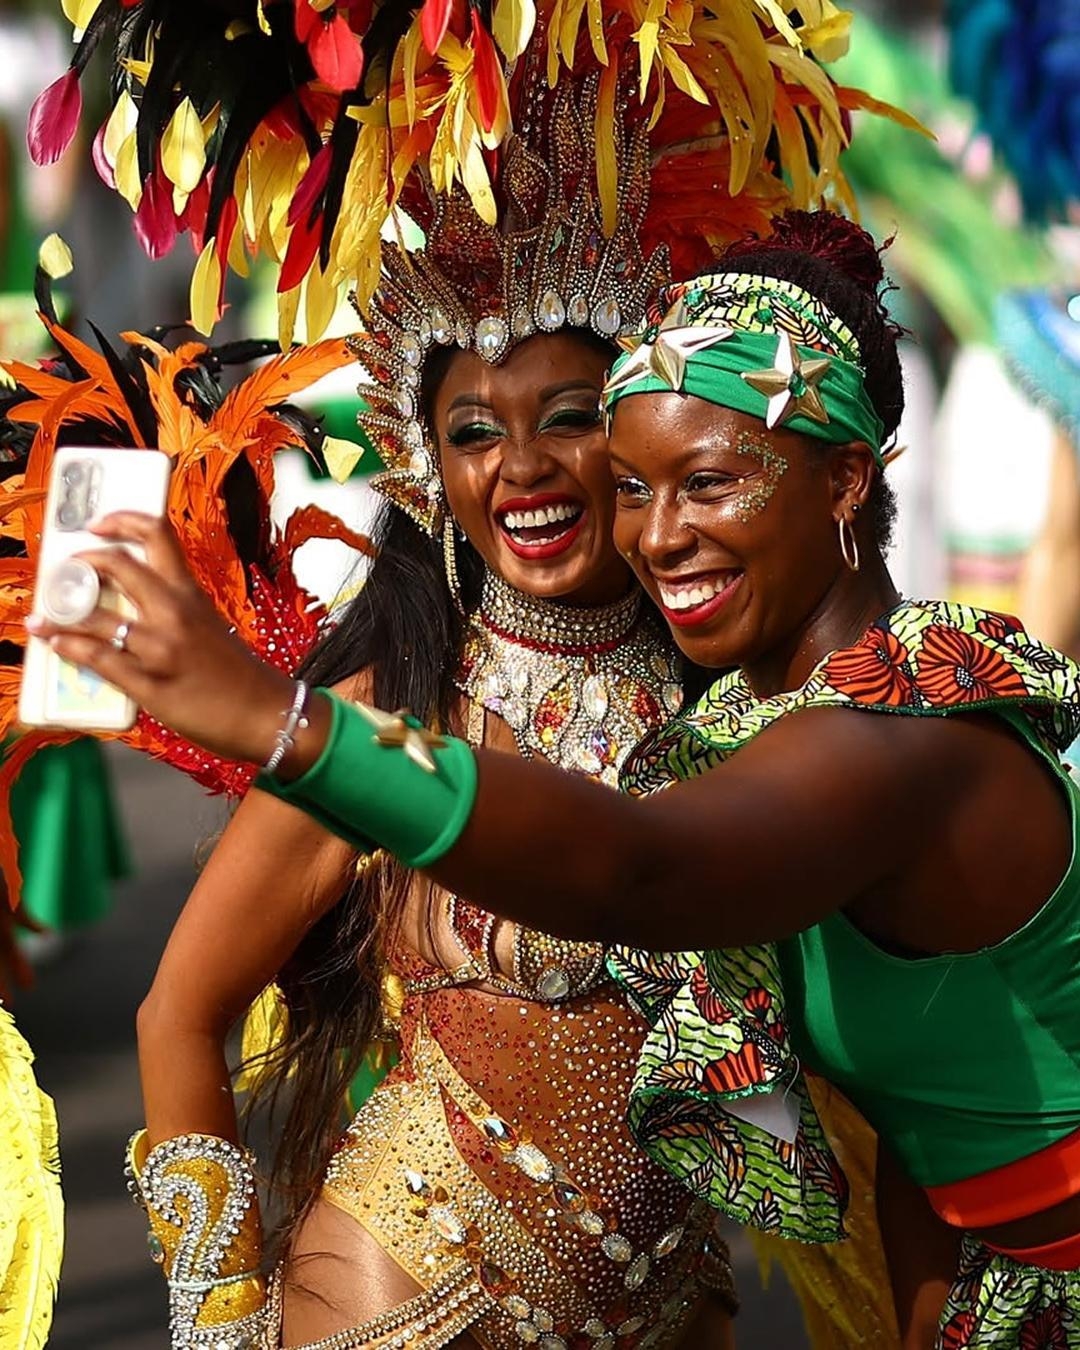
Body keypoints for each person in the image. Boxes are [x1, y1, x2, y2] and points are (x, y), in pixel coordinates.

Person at [42, 210, 1080, 1350]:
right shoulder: (427, 692)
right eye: (477, 431)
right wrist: (219, 1322)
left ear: (842, 481)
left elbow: (640, 872)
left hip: (687, 1302)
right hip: (420, 1292)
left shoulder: (802, 719)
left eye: (577, 423)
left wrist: (272, 719)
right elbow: (181, 1007)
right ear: (428, 468)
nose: (531, 470)